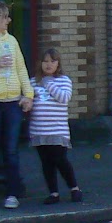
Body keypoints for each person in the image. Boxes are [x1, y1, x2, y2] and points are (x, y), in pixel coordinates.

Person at [0, 1, 32, 210]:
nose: (8, 20)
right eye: (4, 16)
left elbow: (20, 68)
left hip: (11, 102)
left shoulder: (10, 40)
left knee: (11, 149)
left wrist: (28, 95)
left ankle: (12, 193)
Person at [29, 48, 79, 205]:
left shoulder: (64, 80)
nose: (48, 64)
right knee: (46, 162)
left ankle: (74, 188)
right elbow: (28, 99)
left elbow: (64, 98)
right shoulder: (33, 82)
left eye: (52, 61)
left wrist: (48, 83)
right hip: (39, 130)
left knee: (60, 159)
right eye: (45, 61)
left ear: (58, 64)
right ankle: (53, 193)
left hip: (57, 130)